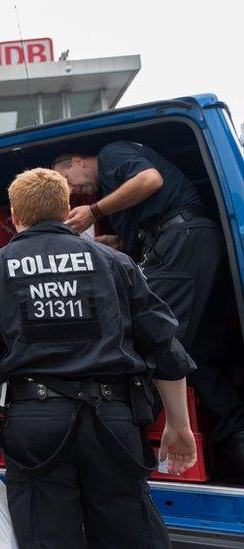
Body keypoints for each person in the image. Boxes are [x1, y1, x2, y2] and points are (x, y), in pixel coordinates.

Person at [0, 168, 198, 547]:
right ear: (66, 209)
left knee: (46, 536)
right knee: (129, 534)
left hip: (34, 424)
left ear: (15, 217)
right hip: (113, 419)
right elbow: (163, 344)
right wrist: (178, 425)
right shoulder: (115, 263)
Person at [54, 143, 244, 478]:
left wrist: (94, 212)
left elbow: (150, 180)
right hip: (190, 246)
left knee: (150, 336)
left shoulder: (113, 155)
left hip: (183, 243)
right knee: (201, 356)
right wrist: (119, 243)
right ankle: (236, 442)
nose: (71, 191)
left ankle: (122, 447)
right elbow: (149, 219)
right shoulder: (116, 197)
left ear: (78, 161)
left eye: (65, 179)